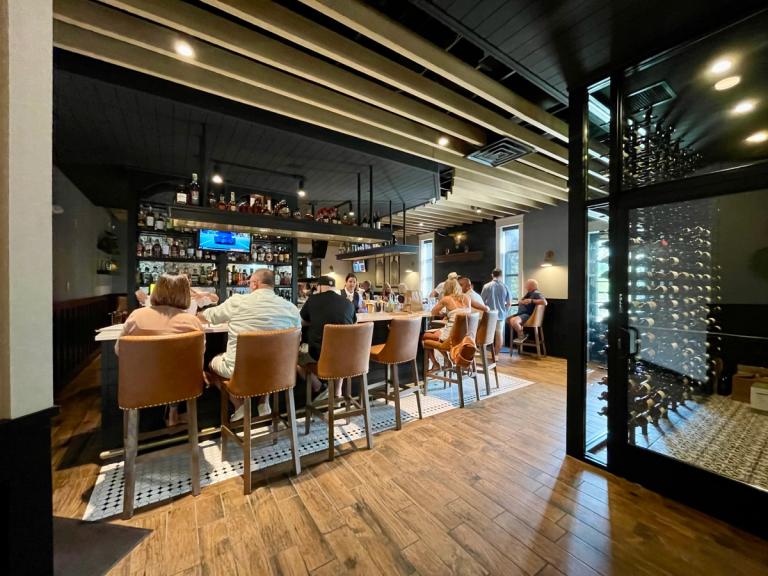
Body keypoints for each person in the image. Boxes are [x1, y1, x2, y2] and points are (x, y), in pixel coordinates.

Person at [200, 268, 300, 421]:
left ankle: (239, 405)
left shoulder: (238, 301)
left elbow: (209, 316)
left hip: (240, 372)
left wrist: (195, 314)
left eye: (249, 283)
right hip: (279, 372)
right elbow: (297, 339)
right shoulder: (291, 308)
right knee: (268, 358)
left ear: (254, 284)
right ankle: (263, 403)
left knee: (211, 362)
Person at [117, 274, 204, 426]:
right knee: (181, 372)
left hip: (139, 388)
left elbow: (120, 350)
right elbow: (199, 356)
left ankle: (133, 437)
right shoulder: (192, 321)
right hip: (184, 387)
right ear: (185, 293)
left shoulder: (137, 316)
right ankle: (174, 413)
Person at [298, 276, 356, 400]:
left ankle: (319, 387)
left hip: (320, 356)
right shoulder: (348, 303)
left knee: (295, 359)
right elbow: (353, 323)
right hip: (350, 358)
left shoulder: (313, 300)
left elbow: (301, 321)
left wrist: (315, 320)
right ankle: (337, 392)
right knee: (341, 347)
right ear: (333, 287)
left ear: (319, 287)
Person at [422, 277, 485, 370]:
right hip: (466, 337)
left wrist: (443, 312)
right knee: (436, 336)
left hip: (451, 337)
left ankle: (436, 363)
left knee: (424, 337)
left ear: (446, 289)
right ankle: (448, 361)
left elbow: (433, 312)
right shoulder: (467, 297)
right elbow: (462, 312)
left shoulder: (446, 299)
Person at [135, 280, 219, 315]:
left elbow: (215, 299)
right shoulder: (164, 298)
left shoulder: (193, 298)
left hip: (188, 331)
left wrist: (205, 294)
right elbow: (138, 294)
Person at [481, 268, 511, 354]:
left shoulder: (487, 286)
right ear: (501, 275)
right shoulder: (505, 286)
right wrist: (505, 313)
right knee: (499, 335)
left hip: (489, 315)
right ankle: (496, 355)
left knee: (485, 335)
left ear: (492, 275)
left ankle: (483, 355)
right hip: (500, 315)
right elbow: (509, 303)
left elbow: (482, 301)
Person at [508, 278, 547, 343]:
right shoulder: (529, 293)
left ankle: (522, 335)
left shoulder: (536, 293)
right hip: (522, 314)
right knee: (508, 319)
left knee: (513, 321)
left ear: (531, 286)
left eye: (526, 284)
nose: (525, 286)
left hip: (527, 315)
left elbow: (545, 302)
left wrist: (531, 300)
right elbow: (522, 300)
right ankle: (520, 336)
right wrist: (522, 301)